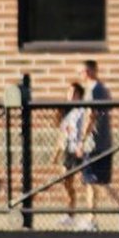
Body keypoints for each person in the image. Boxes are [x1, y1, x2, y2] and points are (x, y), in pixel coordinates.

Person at [76, 59, 119, 232]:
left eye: (81, 72)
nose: (80, 76)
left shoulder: (95, 90)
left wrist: (82, 140)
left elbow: (91, 116)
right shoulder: (100, 89)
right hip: (97, 143)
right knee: (91, 182)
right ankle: (91, 218)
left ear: (88, 72)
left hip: (94, 144)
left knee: (98, 181)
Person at [50, 81, 85, 227]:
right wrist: (56, 153)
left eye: (73, 93)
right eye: (68, 92)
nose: (70, 95)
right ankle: (70, 214)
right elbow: (62, 135)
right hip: (69, 151)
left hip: (82, 150)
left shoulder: (83, 111)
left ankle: (92, 216)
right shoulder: (66, 112)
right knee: (66, 181)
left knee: (93, 183)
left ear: (79, 95)